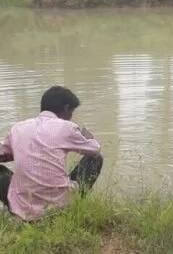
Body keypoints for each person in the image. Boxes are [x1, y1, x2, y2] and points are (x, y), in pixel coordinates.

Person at [0, 86, 103, 221]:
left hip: (24, 206)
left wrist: (21, 151)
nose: (71, 117)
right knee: (95, 158)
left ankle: (16, 211)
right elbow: (95, 149)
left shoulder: (18, 128)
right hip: (61, 205)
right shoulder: (67, 127)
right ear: (66, 108)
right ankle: (74, 205)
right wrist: (88, 137)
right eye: (71, 112)